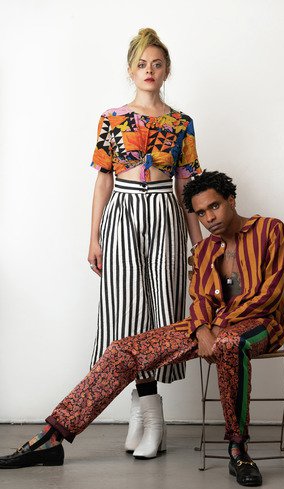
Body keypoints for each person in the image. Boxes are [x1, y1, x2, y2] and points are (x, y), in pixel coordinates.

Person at [0, 171, 284, 487]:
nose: (209, 218)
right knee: (123, 350)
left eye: (215, 206)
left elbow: (270, 293)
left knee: (229, 344)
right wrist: (201, 329)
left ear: (231, 200)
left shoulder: (270, 229)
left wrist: (215, 329)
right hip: (210, 328)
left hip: (262, 324)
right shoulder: (205, 250)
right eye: (201, 213)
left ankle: (238, 450)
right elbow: (201, 299)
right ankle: (51, 437)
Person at [87, 28, 202, 458]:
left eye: (156, 64)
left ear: (166, 70)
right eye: (141, 64)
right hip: (123, 212)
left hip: (164, 213)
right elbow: (103, 179)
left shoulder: (181, 123)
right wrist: (94, 235)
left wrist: (198, 244)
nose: (149, 70)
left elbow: (186, 185)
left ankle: (147, 414)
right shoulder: (112, 118)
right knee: (126, 311)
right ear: (130, 70)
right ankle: (147, 412)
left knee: (161, 313)